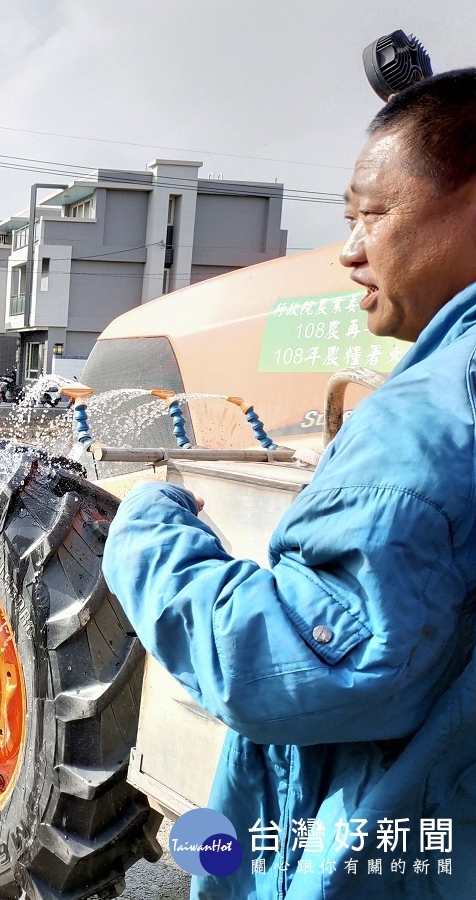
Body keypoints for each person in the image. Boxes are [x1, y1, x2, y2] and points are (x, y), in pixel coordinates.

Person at [102, 69, 476, 899]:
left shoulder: (426, 422)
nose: (348, 251)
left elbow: (281, 665)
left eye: (373, 214)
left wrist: (147, 528)